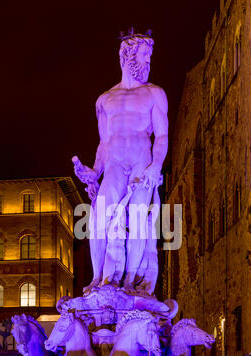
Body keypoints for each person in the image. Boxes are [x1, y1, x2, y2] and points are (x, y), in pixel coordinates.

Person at [73, 29, 168, 295]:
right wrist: (94, 170)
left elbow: (161, 135)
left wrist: (156, 166)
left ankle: (129, 281)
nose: (148, 62)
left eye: (150, 57)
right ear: (127, 55)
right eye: (144, 55)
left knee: (137, 218)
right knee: (99, 218)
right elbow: (104, 143)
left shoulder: (154, 93)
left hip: (142, 161)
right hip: (114, 164)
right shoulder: (104, 100)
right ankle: (98, 278)